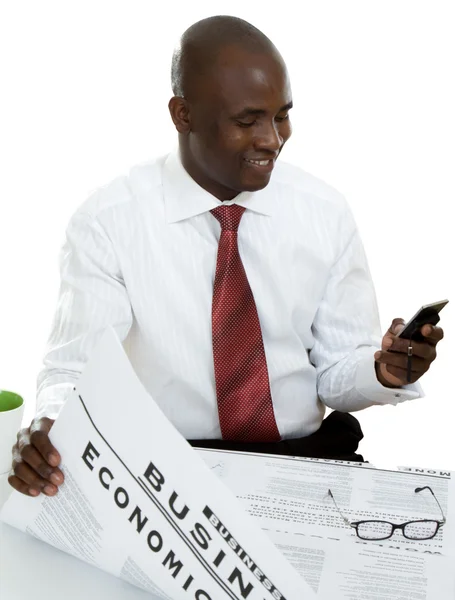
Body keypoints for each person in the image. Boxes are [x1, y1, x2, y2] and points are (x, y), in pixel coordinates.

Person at [9, 15, 443, 498]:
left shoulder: (324, 212)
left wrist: (382, 371)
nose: (272, 140)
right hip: (163, 472)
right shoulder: (109, 221)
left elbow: (335, 374)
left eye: (282, 115)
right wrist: (53, 425)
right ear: (182, 115)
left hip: (303, 465)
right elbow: (75, 371)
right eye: (247, 120)